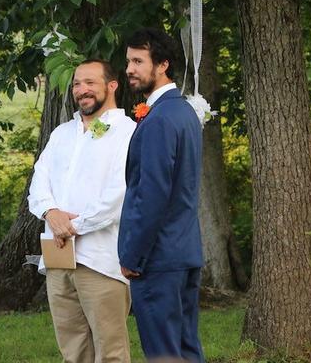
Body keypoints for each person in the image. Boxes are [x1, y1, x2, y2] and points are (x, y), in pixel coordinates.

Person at [28, 59, 136, 363]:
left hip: (100, 260)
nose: (81, 89)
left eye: (90, 82)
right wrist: (51, 213)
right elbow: (39, 182)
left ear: (112, 85)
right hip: (58, 258)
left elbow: (120, 194)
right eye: (77, 83)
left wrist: (72, 226)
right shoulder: (61, 133)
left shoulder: (127, 132)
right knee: (73, 351)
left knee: (111, 352)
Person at [118, 27, 205, 362]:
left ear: (163, 65)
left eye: (138, 61)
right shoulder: (184, 113)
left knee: (163, 354)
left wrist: (133, 257)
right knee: (186, 350)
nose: (129, 69)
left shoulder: (159, 120)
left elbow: (152, 195)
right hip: (184, 252)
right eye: (129, 61)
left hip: (158, 259)